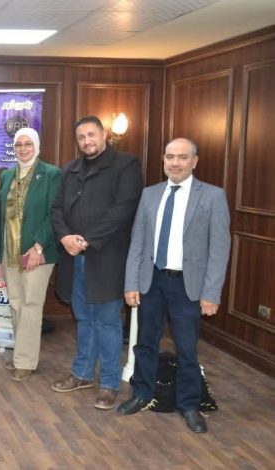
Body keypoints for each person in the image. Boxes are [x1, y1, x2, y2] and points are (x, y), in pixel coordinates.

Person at [118, 138, 230, 433]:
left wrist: (211, 292)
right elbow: (137, 242)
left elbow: (220, 250)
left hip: (187, 286)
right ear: (163, 160)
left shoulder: (213, 197)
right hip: (151, 281)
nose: (175, 163)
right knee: (145, 343)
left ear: (194, 161)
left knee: (186, 348)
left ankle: (189, 404)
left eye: (182, 157)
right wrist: (131, 283)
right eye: (170, 157)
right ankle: (142, 394)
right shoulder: (149, 194)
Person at [50, 116, 143, 410]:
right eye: (81, 137)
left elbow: (123, 210)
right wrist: (65, 237)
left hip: (107, 259)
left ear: (104, 135)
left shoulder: (126, 165)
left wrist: (87, 240)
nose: (87, 141)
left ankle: (110, 384)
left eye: (91, 134)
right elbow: (56, 209)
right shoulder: (70, 170)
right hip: (75, 259)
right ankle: (82, 374)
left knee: (107, 322)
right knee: (83, 319)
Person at [0, 128, 61, 382]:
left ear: (36, 146)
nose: (23, 149)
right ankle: (20, 355)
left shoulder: (51, 174)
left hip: (36, 252)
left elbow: (54, 213)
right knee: (15, 303)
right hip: (10, 251)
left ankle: (25, 361)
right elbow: (2, 215)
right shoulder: (7, 175)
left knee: (31, 305)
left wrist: (38, 247)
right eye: (18, 145)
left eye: (28, 144)